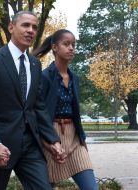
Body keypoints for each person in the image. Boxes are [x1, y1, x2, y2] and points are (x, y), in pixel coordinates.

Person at [0, 11, 66, 190]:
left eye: (34, 27)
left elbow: (38, 107)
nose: (31, 30)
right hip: (0, 145)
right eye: (25, 25)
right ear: (11, 27)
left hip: (30, 145)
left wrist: (53, 140)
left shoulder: (34, 64)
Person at [33, 29, 98, 190]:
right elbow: (36, 113)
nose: (71, 48)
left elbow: (75, 112)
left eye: (73, 45)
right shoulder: (44, 76)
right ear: (54, 47)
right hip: (50, 137)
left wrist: (82, 138)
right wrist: (47, 143)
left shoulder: (74, 77)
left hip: (74, 138)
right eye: (66, 44)